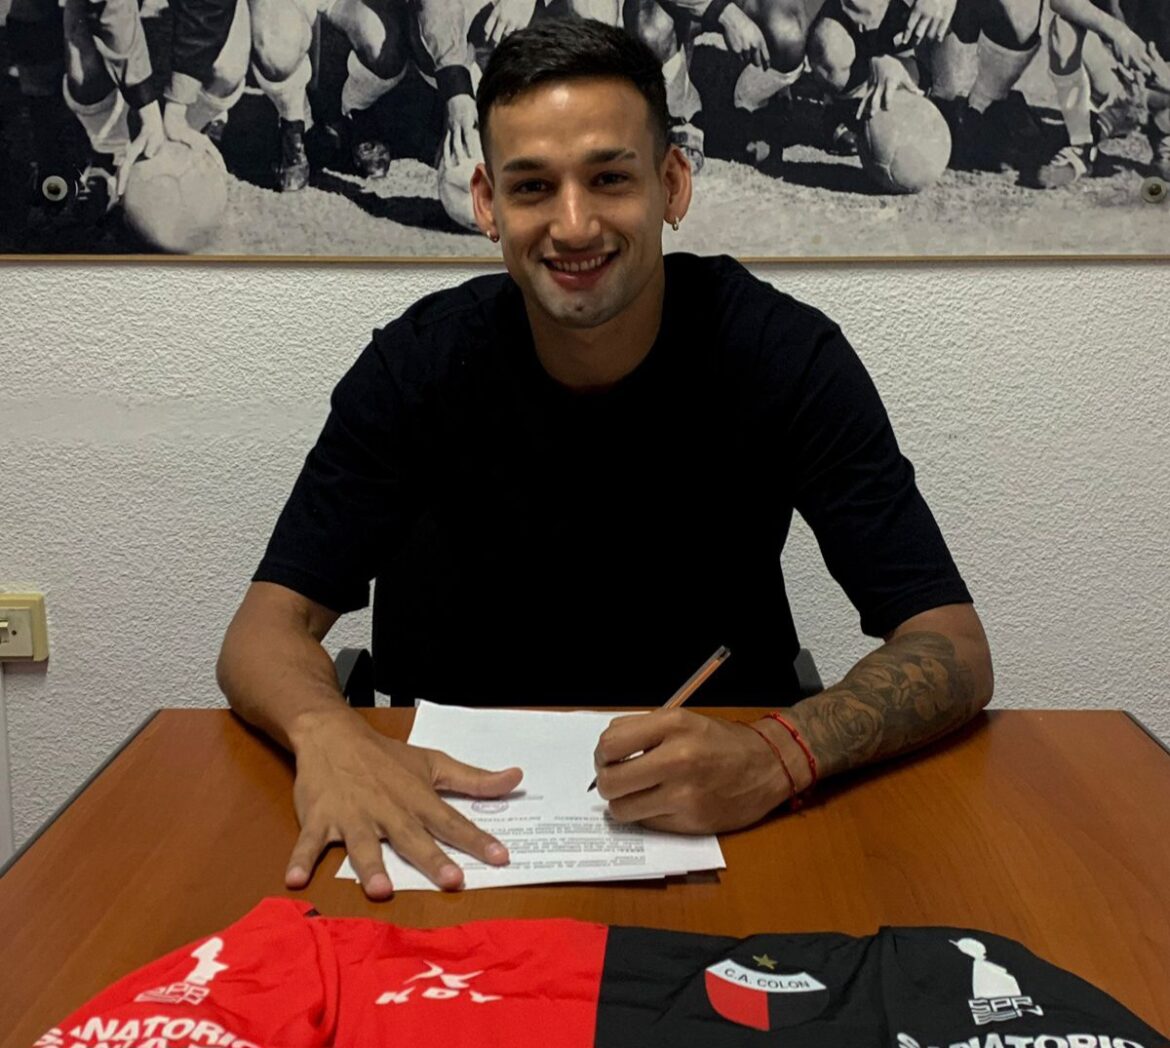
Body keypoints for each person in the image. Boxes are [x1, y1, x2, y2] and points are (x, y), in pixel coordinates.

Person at [217, 15, 993, 902]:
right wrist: (326, 731)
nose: (574, 224)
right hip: (454, 835)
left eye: (610, 178)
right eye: (533, 187)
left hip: (724, 825)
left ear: (672, 184)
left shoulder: (783, 354)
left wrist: (781, 754)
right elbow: (263, 632)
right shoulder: (416, 366)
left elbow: (953, 646)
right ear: (486, 204)